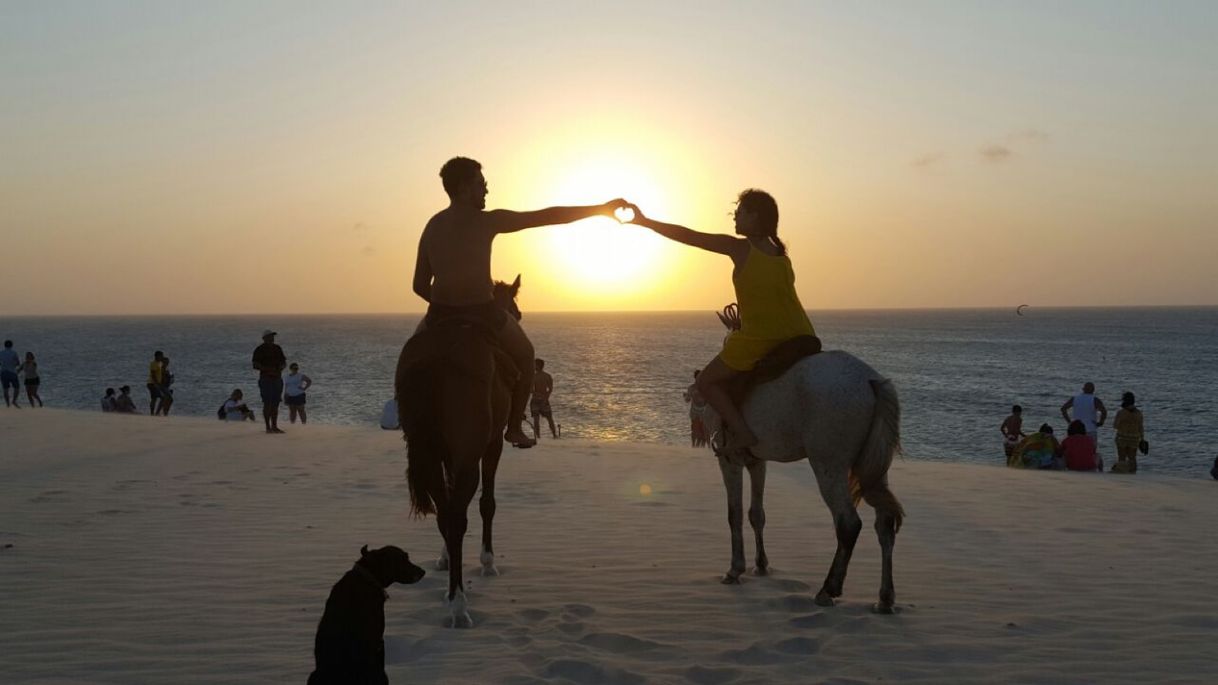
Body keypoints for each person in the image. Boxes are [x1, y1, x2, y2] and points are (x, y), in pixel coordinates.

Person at [412, 156, 626, 448]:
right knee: (526, 355)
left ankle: (411, 420)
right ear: (463, 188)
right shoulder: (488, 220)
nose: (486, 191)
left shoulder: (432, 225)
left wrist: (446, 304)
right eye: (481, 184)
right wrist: (600, 209)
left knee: (410, 363)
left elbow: (419, 285)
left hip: (438, 315)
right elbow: (547, 216)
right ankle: (513, 427)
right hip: (483, 313)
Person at [624, 190, 816, 452]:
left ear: (755, 216)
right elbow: (774, 302)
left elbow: (690, 237)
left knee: (705, 382)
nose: (735, 218)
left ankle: (744, 434)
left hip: (761, 339)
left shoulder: (740, 248)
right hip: (801, 334)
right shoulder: (782, 257)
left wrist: (645, 222)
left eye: (740, 213)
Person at [252, 329, 287, 434]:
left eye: (272, 336)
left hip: (277, 378)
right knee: (267, 403)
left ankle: (275, 426)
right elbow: (255, 364)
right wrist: (267, 370)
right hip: (266, 379)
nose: (272, 338)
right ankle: (268, 427)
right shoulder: (259, 349)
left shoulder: (277, 348)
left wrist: (280, 368)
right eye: (270, 336)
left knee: (276, 403)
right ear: (264, 338)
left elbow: (284, 362)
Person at [1061, 382, 1107, 453]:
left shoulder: (1075, 399)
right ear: (1093, 390)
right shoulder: (1095, 400)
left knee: (1075, 452)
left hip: (1075, 430)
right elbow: (1104, 412)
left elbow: (1063, 409)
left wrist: (1069, 422)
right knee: (1091, 452)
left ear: (1083, 389)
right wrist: (1100, 423)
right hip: (1090, 429)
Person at [1112, 391, 1145, 474]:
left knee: (1122, 457)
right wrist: (1142, 438)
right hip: (1134, 437)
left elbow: (1115, 426)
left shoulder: (1121, 412)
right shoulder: (1139, 413)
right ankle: (1133, 473)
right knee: (1132, 457)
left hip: (1122, 437)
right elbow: (1141, 427)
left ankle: (1122, 472)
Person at [529, 359, 557, 440]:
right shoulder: (547, 376)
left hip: (536, 400)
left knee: (539, 419)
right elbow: (550, 389)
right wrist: (546, 397)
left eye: (534, 365)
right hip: (542, 400)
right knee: (547, 419)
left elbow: (530, 390)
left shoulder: (534, 377)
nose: (533, 366)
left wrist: (538, 394)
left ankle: (539, 436)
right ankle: (554, 435)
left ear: (537, 366)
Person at [684, 370, 710, 447]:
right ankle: (693, 446)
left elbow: (711, 398)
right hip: (695, 410)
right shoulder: (691, 388)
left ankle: (705, 446)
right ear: (695, 378)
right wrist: (686, 397)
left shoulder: (707, 387)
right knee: (695, 429)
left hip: (704, 410)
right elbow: (687, 400)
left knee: (705, 429)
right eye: (699, 377)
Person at [1, 340, 21, 408]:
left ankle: (7, 404)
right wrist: (13, 365)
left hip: (3, 372)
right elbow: (18, 363)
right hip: (12, 372)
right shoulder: (14, 352)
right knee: (17, 388)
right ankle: (14, 401)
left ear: (4, 345)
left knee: (5, 389)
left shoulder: (1, 353)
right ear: (11, 345)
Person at [147, 350, 165, 415]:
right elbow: (153, 374)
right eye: (161, 356)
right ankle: (154, 413)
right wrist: (157, 384)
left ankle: (155, 413)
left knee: (154, 398)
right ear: (157, 356)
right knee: (161, 397)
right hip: (152, 383)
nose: (162, 357)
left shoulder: (160, 363)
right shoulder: (153, 363)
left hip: (156, 384)